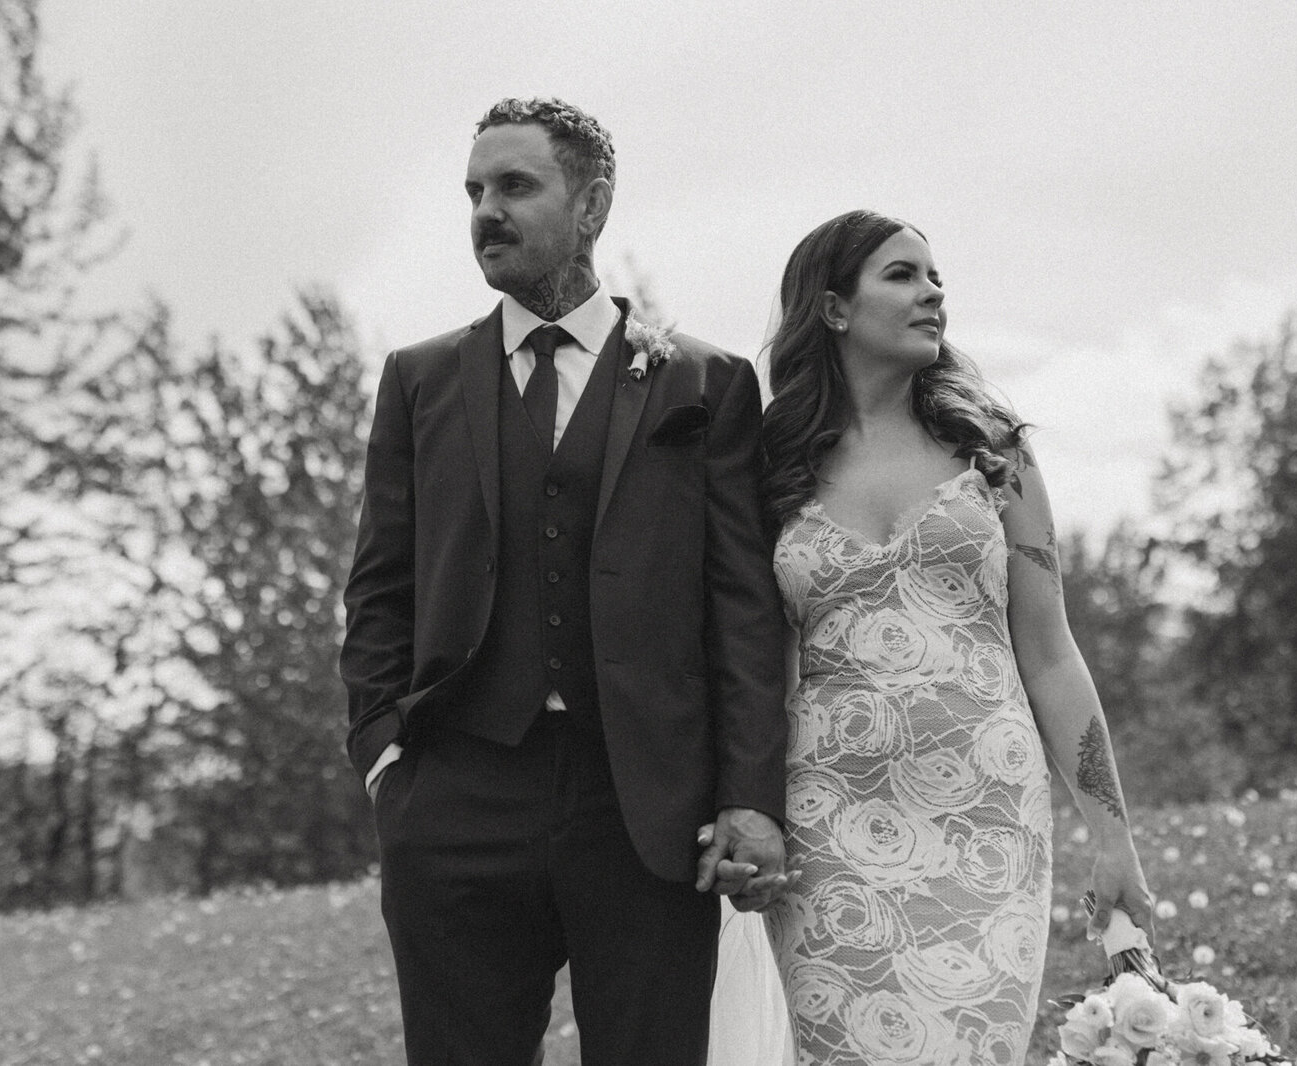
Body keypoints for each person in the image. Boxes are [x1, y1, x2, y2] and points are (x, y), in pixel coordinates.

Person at [339, 97, 791, 1066]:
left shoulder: (702, 384)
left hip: (642, 803)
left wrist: (749, 791)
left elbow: (743, 608)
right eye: (473, 191)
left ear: (591, 205)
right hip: (457, 792)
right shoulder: (419, 379)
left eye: (514, 186)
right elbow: (379, 587)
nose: (484, 213)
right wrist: (386, 760)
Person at [708, 210, 1154, 1066]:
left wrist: (1112, 837)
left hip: (988, 821)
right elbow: (747, 657)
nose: (933, 294)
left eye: (936, 277)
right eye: (903, 276)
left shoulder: (994, 455)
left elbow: (1052, 653)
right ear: (834, 309)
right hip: (825, 827)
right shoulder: (771, 466)